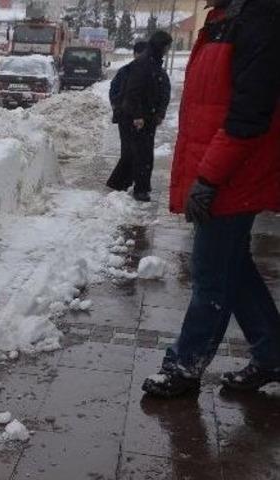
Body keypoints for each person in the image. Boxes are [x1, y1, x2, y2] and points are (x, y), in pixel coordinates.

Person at [142, 0, 280, 398]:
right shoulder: (224, 20)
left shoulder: (260, 22)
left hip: (236, 171)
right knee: (233, 268)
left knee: (211, 275)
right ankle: (271, 353)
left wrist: (208, 177)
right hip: (222, 166)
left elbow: (248, 114)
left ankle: (185, 366)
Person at [116, 31, 172, 202]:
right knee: (141, 154)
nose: (168, 50)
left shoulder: (154, 63)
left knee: (142, 153)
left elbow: (163, 90)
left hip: (150, 116)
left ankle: (127, 184)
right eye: (167, 46)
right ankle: (140, 189)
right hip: (139, 117)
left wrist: (160, 112)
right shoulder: (143, 64)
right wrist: (138, 115)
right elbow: (134, 92)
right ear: (160, 45)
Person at [106, 40, 147, 192]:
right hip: (126, 117)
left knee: (136, 151)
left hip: (142, 118)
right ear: (135, 54)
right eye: (141, 54)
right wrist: (118, 106)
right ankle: (118, 182)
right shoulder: (125, 71)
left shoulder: (150, 71)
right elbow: (114, 90)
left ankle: (125, 181)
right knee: (129, 151)